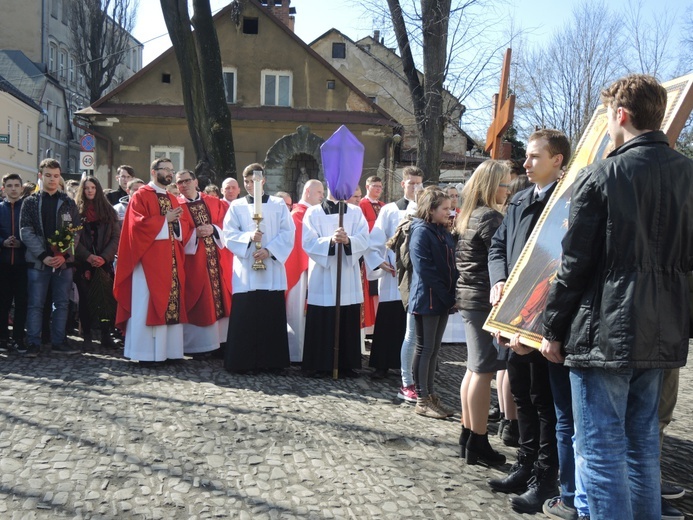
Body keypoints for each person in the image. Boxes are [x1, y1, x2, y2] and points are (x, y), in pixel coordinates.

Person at [541, 74, 693, 520]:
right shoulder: (688, 175)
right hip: (661, 329)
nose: (607, 124)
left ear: (621, 115)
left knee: (602, 451)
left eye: (608, 115)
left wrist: (552, 328)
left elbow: (573, 266)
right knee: (642, 450)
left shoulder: (601, 175)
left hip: (604, 331)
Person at [488, 129, 568, 514]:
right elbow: (498, 246)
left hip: (544, 316)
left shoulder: (567, 203)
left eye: (536, 156)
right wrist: (499, 280)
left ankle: (544, 478)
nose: (527, 162)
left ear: (558, 160)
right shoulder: (520, 200)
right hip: (513, 312)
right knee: (520, 393)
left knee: (543, 400)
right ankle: (524, 464)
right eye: (528, 156)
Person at [454, 160, 510, 465]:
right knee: (483, 370)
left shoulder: (470, 215)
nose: (508, 190)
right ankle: (477, 440)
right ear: (492, 186)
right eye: (505, 185)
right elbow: (499, 259)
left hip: (470, 297)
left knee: (474, 369)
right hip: (481, 299)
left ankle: (468, 434)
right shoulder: (489, 217)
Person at [113, 158, 191, 364]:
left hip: (171, 259)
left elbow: (181, 229)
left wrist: (175, 224)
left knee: (172, 301)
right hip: (148, 261)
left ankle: (171, 352)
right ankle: (146, 354)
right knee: (147, 303)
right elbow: (136, 227)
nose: (170, 174)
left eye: (171, 170)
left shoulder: (173, 199)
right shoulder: (141, 196)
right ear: (153, 171)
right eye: (166, 169)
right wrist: (165, 220)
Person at [222, 163, 294, 373]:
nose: (249, 185)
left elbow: (288, 232)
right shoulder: (236, 206)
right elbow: (228, 234)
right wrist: (248, 238)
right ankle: (242, 362)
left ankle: (272, 362)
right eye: (245, 181)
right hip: (246, 269)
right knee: (246, 315)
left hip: (271, 266)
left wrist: (270, 251)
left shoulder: (278, 204)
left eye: (253, 181)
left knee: (271, 314)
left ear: (262, 181)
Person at [301, 188, 370, 377]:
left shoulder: (355, 212)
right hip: (322, 273)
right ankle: (320, 363)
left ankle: (346, 364)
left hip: (347, 273)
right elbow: (307, 242)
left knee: (347, 315)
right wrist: (330, 241)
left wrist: (348, 241)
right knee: (323, 316)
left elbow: (365, 239)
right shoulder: (313, 212)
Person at [365, 166, 423, 381]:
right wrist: (380, 263)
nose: (415, 187)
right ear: (403, 184)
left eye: (419, 183)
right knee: (389, 318)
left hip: (417, 275)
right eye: (411, 183)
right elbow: (376, 239)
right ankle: (382, 364)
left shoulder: (426, 208)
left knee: (414, 319)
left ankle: (415, 365)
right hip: (393, 274)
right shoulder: (389, 209)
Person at [19, 159, 81, 357]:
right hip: (38, 262)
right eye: (48, 175)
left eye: (56, 176)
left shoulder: (68, 202)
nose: (52, 180)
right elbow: (26, 231)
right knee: (36, 304)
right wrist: (44, 255)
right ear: (40, 176)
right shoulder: (30, 202)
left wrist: (64, 255)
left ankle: (58, 341)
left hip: (63, 264)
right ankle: (34, 343)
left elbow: (75, 233)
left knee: (62, 303)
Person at [408, 188, 458, 418]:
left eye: (450, 208)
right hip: (427, 298)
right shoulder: (421, 231)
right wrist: (447, 295)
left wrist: (453, 293)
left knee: (435, 350)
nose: (450, 212)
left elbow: (451, 264)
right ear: (431, 210)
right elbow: (425, 269)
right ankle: (422, 398)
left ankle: (430, 394)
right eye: (445, 209)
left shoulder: (442, 230)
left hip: (442, 297)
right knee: (425, 348)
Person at [176, 169, 232, 356]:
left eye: (186, 181)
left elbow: (228, 226)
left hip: (217, 259)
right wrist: (194, 233)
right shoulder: (177, 205)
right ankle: (200, 347)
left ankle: (222, 342)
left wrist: (214, 229)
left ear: (195, 182)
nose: (183, 185)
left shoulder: (215, 202)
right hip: (193, 262)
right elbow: (176, 234)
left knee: (221, 297)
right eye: (179, 183)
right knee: (200, 299)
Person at [73, 176, 121, 348]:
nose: (90, 191)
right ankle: (86, 336)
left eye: (93, 187)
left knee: (105, 299)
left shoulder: (108, 211)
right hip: (84, 264)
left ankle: (105, 334)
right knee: (85, 301)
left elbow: (116, 237)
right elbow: (72, 239)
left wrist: (104, 257)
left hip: (104, 263)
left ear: (98, 189)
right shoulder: (76, 211)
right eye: (86, 188)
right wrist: (88, 257)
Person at [285, 179, 324, 362]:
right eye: (319, 193)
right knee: (297, 310)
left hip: (312, 267)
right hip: (300, 270)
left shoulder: (314, 212)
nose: (322, 196)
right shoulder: (298, 214)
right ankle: (296, 353)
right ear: (307, 191)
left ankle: (306, 351)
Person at [0, 173, 28, 352]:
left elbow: (34, 233)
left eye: (16, 185)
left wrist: (21, 243)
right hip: (2, 264)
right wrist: (2, 241)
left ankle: (18, 338)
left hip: (23, 264)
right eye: (9, 185)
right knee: (2, 303)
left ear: (21, 188)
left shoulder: (27, 209)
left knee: (22, 303)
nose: (13, 189)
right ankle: (2, 338)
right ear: (3, 189)